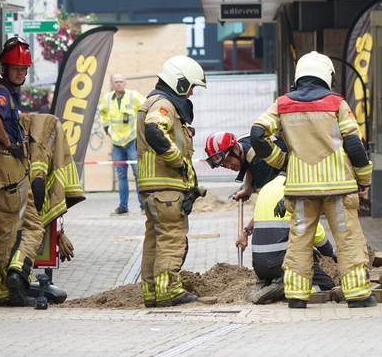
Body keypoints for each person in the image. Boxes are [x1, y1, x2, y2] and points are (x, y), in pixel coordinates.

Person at [251, 51, 375, 309]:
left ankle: (296, 297)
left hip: (300, 189)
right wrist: (364, 178)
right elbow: (354, 143)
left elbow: (256, 134)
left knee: (299, 240)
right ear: (326, 75)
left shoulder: (282, 104)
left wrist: (281, 161)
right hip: (338, 187)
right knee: (348, 239)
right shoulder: (336, 103)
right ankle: (357, 296)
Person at [135, 55, 207, 307]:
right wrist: (178, 161)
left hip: (154, 188)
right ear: (179, 83)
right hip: (166, 189)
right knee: (172, 236)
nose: (191, 95)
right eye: (190, 88)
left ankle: (152, 291)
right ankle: (168, 290)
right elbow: (155, 131)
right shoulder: (163, 105)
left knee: (155, 238)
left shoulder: (153, 102)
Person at [0, 36, 41, 306]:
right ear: (4, 68)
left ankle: (16, 274)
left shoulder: (9, 93)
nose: (21, 73)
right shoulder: (1, 93)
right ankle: (5, 290)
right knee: (8, 231)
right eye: (16, 68)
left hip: (14, 169)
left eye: (24, 69)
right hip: (7, 168)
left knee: (32, 225)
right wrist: (8, 142)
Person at [238, 174, 337, 304]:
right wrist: (331, 252)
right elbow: (316, 232)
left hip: (260, 266)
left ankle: (268, 283)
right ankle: (284, 288)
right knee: (326, 283)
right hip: (282, 264)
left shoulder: (265, 189)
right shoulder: (296, 189)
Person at [99, 73, 146, 216]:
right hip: (117, 143)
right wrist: (107, 128)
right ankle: (123, 207)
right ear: (112, 84)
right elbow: (103, 114)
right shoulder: (107, 99)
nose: (119, 84)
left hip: (131, 140)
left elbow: (146, 106)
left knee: (138, 174)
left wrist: (141, 127)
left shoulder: (133, 96)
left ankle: (144, 206)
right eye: (116, 82)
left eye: (121, 81)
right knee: (122, 176)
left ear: (125, 83)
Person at [204, 130, 287, 201]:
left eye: (228, 161)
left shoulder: (259, 161)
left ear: (235, 148)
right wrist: (247, 189)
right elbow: (247, 161)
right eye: (224, 165)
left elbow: (265, 202)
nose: (229, 166)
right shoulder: (242, 143)